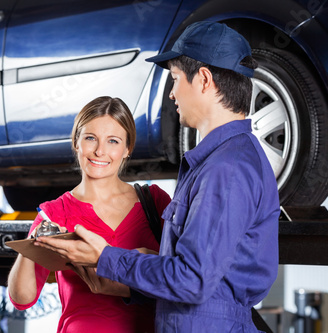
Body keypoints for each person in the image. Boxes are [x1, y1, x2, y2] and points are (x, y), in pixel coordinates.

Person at [35, 21, 280, 332]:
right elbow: (203, 274)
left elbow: (192, 280)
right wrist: (137, 273)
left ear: (203, 79)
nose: (173, 94)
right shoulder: (221, 161)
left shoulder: (226, 169)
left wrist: (106, 257)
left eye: (176, 79)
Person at [7, 96, 171, 333]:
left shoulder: (154, 202)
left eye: (113, 141)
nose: (100, 151)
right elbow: (22, 299)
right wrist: (35, 241)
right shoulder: (55, 213)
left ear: (127, 149)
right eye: (90, 138)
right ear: (76, 142)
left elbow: (182, 275)